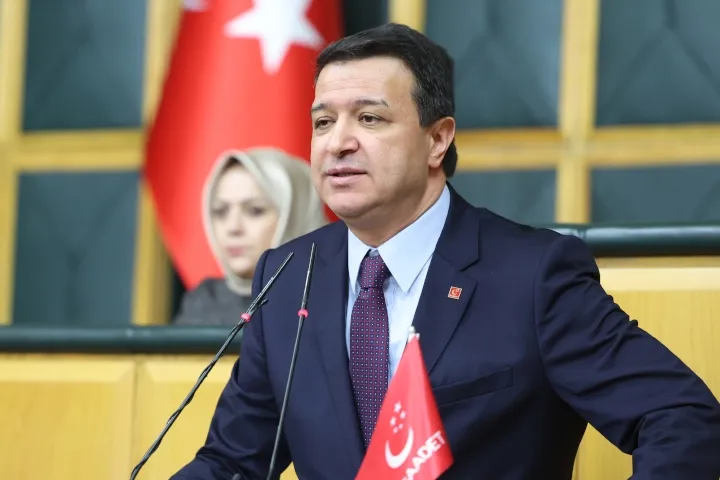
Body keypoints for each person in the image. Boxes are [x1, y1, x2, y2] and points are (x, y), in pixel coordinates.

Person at [172, 23, 720, 479]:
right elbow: (231, 463)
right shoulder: (290, 274)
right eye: (322, 122)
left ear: (437, 139)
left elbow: (682, 417)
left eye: (369, 118)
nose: (337, 142)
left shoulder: (532, 276)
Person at [173, 148, 327, 326]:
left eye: (255, 210)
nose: (233, 228)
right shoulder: (204, 303)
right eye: (220, 211)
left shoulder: (340, 299)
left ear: (295, 215)